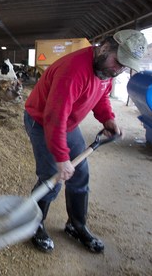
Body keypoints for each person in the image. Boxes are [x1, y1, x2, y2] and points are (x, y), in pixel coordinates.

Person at [24, 29, 148, 253]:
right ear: (104, 47)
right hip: (42, 121)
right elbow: (54, 117)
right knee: (52, 177)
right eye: (118, 61)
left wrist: (108, 119)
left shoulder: (105, 71)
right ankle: (34, 224)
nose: (118, 70)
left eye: (124, 66)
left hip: (67, 123)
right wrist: (62, 158)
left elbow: (100, 95)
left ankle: (76, 225)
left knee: (80, 174)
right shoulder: (73, 71)